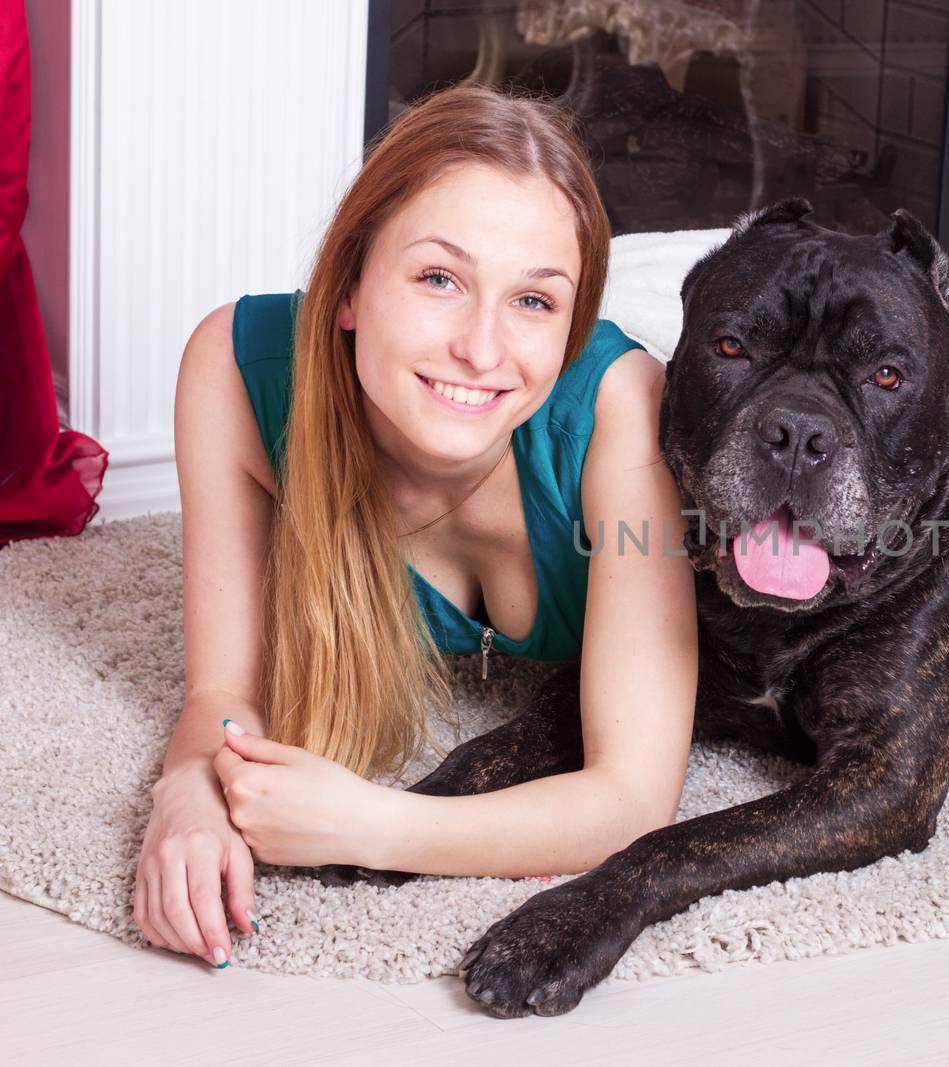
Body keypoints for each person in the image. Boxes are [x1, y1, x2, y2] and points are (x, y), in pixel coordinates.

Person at [133, 86, 698, 970]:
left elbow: (632, 798)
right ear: (350, 281)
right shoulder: (236, 371)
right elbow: (220, 694)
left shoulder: (623, 409)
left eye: (534, 301)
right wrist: (189, 793)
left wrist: (373, 823)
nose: (481, 347)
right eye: (441, 278)